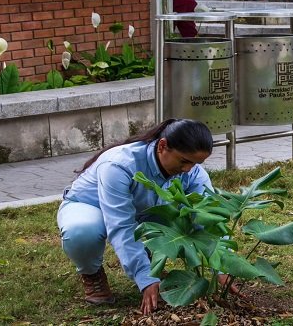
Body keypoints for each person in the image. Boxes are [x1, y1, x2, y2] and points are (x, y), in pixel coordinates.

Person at [56, 119, 217, 314]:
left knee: (181, 216)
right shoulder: (119, 165)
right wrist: (145, 278)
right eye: (184, 161)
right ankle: (92, 273)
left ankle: (147, 259)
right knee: (82, 231)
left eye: (196, 163)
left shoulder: (193, 171)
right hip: (90, 206)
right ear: (163, 146)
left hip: (145, 211)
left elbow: (208, 217)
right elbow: (121, 225)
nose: (188, 169)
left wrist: (222, 267)